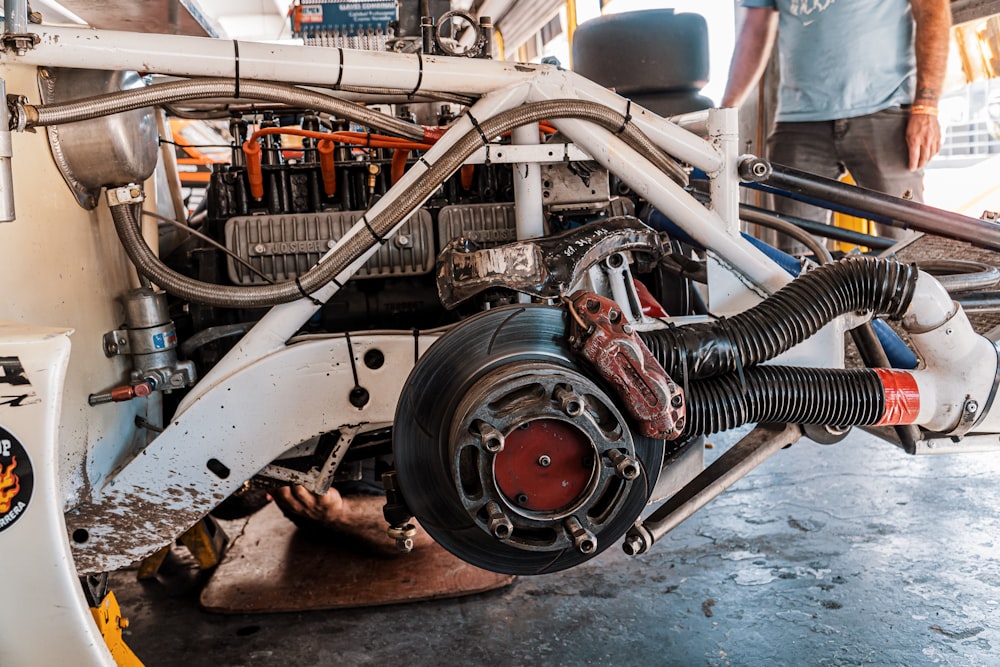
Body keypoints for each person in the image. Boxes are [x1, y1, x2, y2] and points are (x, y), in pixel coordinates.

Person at [721, 0, 952, 242]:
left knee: (905, 245)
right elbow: (754, 28)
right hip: (799, 121)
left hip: (885, 110)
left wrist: (927, 107)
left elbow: (933, 9)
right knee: (796, 254)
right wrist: (723, 113)